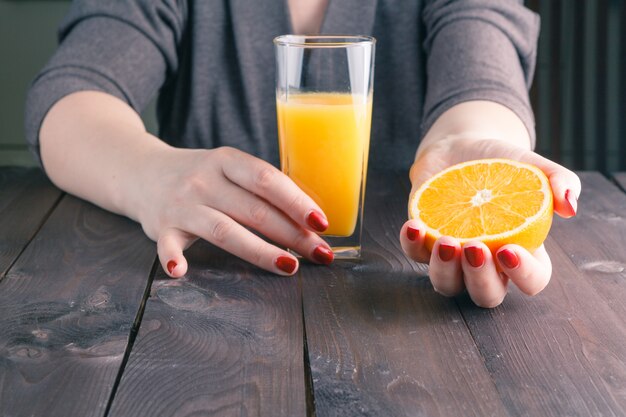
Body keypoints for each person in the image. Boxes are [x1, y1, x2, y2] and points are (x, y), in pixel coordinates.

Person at [25, 0, 580, 308]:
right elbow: (71, 95)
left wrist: (465, 151)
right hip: (210, 298)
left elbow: (483, 78)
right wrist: (151, 173)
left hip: (377, 302)